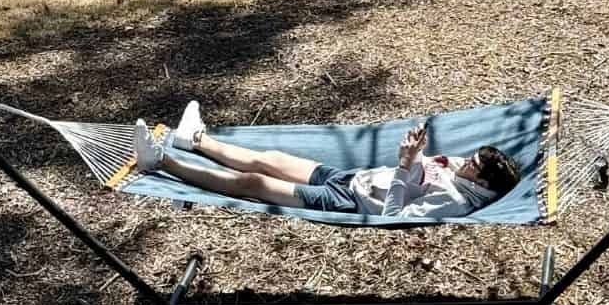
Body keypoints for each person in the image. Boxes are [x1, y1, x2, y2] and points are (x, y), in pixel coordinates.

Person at [133, 101, 521, 220]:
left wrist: (405, 166)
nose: (463, 161)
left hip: (349, 202)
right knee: (270, 158)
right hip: (353, 178)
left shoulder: (454, 201)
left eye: (472, 164)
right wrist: (416, 152)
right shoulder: (460, 174)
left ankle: (161, 162)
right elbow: (437, 166)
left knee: (255, 184)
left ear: (481, 184)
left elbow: (393, 216)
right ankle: (195, 138)